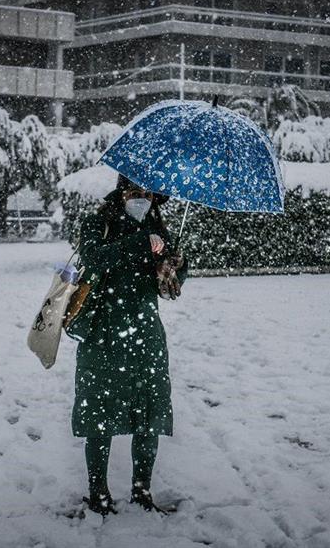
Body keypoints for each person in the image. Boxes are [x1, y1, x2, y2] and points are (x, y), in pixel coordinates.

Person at [71, 174, 188, 516]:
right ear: (121, 193)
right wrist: (139, 242)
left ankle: (142, 490)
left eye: (148, 193)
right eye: (134, 192)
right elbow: (93, 260)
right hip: (103, 334)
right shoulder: (97, 223)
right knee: (98, 416)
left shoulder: (160, 230)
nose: (141, 198)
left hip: (146, 336)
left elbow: (169, 288)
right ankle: (98, 493)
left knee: (149, 413)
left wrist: (177, 265)